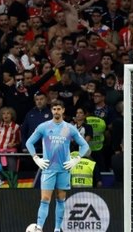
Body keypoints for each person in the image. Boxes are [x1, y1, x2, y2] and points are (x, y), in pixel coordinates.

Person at [26, 99, 90, 232]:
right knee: (45, 199)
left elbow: (85, 145)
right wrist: (36, 158)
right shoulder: (44, 127)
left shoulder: (69, 128)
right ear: (51, 110)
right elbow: (29, 143)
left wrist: (76, 159)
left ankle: (57, 229)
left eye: (59, 109)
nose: (56, 111)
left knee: (61, 199)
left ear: (63, 110)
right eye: (54, 109)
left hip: (63, 169)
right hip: (48, 169)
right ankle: (39, 228)